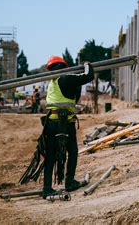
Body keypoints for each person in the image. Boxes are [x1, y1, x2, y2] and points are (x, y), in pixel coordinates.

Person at [20, 56, 94, 199]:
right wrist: (87, 63)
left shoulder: (53, 83)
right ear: (63, 67)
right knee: (72, 151)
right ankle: (70, 182)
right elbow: (88, 75)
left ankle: (47, 188)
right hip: (64, 122)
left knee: (51, 155)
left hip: (51, 123)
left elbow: (72, 95)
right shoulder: (66, 78)